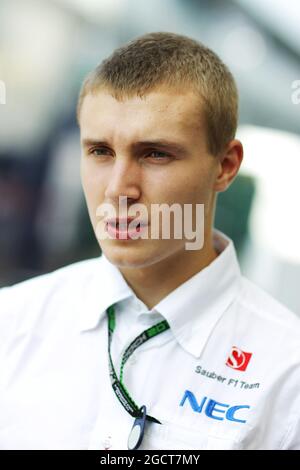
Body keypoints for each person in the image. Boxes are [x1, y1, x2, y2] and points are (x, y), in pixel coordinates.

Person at [0, 31, 299, 451]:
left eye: (155, 153)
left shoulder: (287, 374)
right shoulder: (13, 323)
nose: (119, 189)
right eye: (100, 151)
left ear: (225, 166)